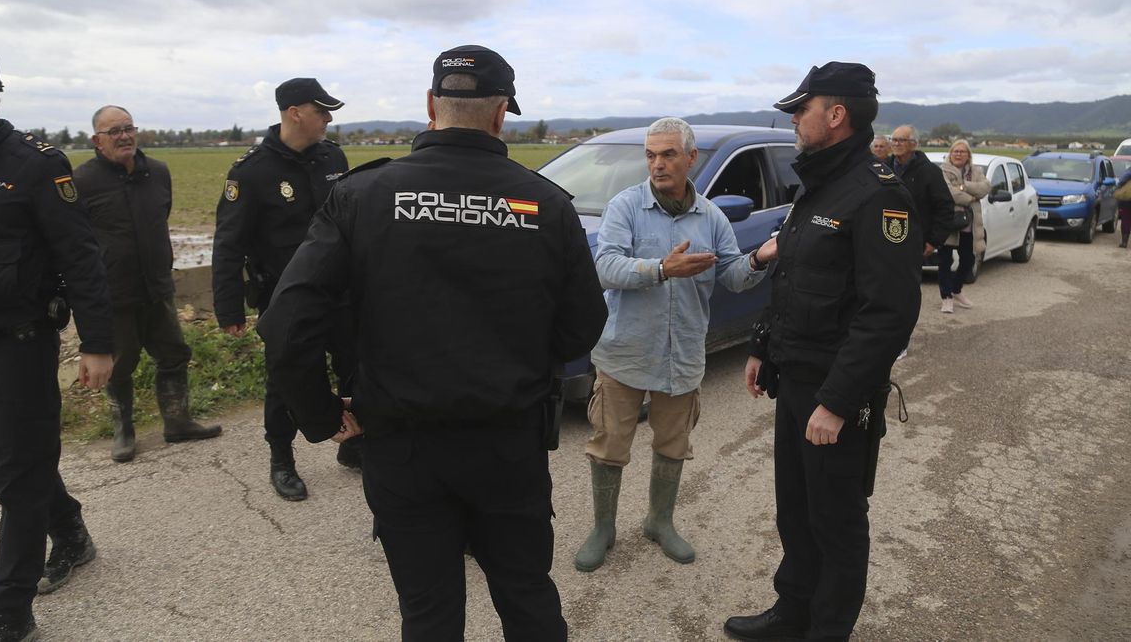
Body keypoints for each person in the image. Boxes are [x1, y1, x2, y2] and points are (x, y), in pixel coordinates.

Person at [257, 44, 607, 641]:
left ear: (429, 106)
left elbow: (287, 323)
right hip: (507, 444)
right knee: (527, 598)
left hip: (402, 448)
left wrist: (322, 417)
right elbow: (583, 325)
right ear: (502, 115)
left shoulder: (363, 195)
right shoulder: (544, 203)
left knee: (429, 614)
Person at [722, 62, 922, 641]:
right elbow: (793, 275)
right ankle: (793, 612)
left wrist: (838, 401)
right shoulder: (820, 184)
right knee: (796, 508)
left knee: (835, 520)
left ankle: (826, 630)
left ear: (835, 115)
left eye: (800, 109)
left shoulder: (879, 195)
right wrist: (763, 346)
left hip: (835, 392)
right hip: (797, 377)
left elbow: (888, 314)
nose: (791, 118)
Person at [0, 47, 115, 642]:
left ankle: (9, 612)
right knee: (15, 461)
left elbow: (80, 256)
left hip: (19, 344)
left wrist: (98, 342)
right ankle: (71, 530)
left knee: (15, 477)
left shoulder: (33, 163)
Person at [574, 117, 775, 572]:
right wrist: (662, 269)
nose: (658, 164)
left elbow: (734, 277)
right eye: (650, 155)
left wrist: (761, 256)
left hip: (682, 354)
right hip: (625, 352)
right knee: (608, 445)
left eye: (667, 155)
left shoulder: (712, 216)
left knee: (673, 443)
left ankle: (659, 522)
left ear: (691, 158)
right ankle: (603, 527)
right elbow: (605, 269)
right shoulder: (625, 207)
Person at [212, 77, 357, 501]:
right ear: (295, 112)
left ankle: (355, 445)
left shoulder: (333, 156)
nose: (329, 118)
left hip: (342, 291)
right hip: (285, 299)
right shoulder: (251, 171)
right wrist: (229, 308)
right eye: (321, 110)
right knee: (285, 380)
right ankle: (281, 459)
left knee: (356, 368)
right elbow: (229, 243)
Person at [74, 105, 222, 462]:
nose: (124, 136)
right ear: (97, 140)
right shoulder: (82, 181)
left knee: (173, 354)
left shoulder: (158, 172)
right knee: (121, 363)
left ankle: (177, 421)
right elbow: (76, 239)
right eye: (114, 131)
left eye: (128, 128)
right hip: (115, 292)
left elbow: (161, 215)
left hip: (157, 287)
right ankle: (123, 431)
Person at [887, 125, 954, 277]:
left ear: (914, 144)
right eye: (894, 140)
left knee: (907, 285)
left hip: (915, 241)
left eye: (902, 140)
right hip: (885, 239)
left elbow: (945, 207)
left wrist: (933, 241)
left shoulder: (930, 172)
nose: (896, 144)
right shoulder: (883, 169)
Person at [936, 139, 989, 311]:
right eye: (955, 151)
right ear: (950, 154)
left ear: (968, 155)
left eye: (962, 152)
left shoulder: (976, 171)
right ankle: (946, 297)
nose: (958, 154)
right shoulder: (942, 171)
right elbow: (950, 194)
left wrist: (964, 186)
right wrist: (971, 197)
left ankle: (956, 290)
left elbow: (985, 188)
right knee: (945, 261)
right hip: (949, 222)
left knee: (968, 260)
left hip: (969, 225)